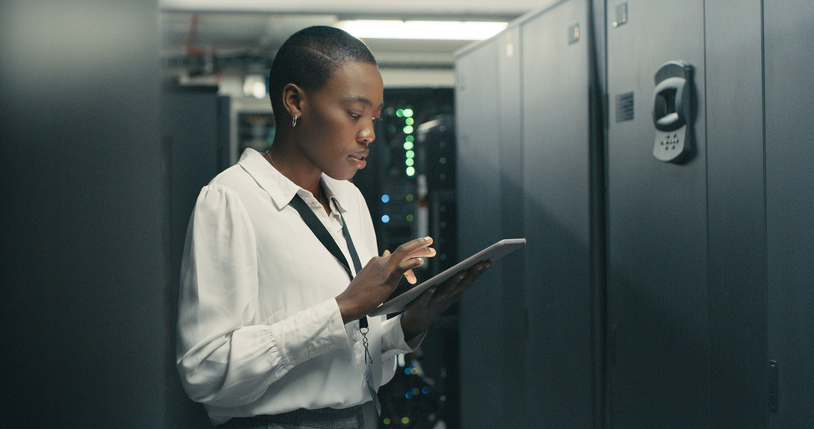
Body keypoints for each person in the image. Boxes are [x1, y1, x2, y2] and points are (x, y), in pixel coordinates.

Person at [176, 25, 490, 428]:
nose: (369, 134)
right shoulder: (231, 199)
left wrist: (407, 326)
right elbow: (205, 371)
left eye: (374, 118)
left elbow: (355, 357)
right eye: (355, 114)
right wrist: (342, 308)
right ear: (295, 102)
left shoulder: (349, 199)